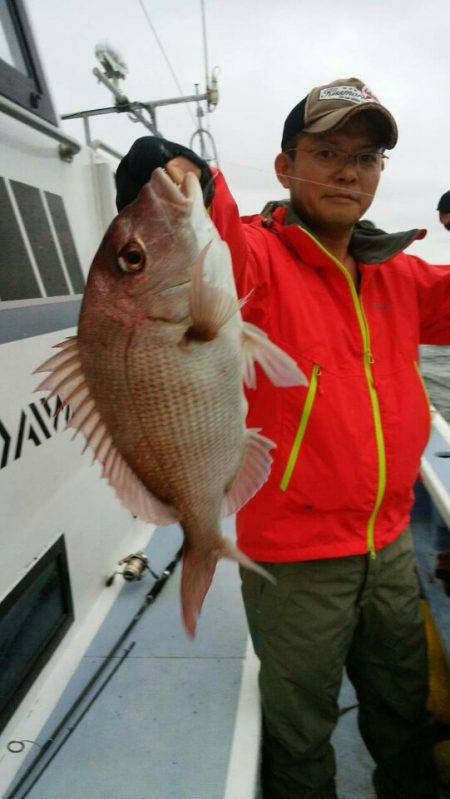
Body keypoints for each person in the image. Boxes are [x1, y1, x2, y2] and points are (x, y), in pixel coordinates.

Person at [115, 77, 450, 799]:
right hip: (296, 562)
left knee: (404, 713)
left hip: (389, 544)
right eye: (326, 150)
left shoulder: (400, 274)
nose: (347, 170)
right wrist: (178, 173)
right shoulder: (254, 261)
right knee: (300, 734)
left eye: (365, 158)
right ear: (285, 166)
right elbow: (210, 233)